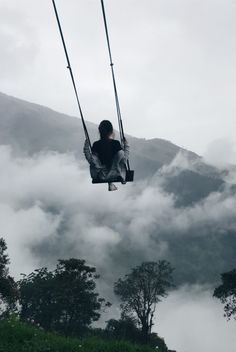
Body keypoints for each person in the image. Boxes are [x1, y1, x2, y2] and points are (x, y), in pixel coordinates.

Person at [84, 120, 129, 191]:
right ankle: (112, 182)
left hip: (101, 175)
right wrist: (126, 145)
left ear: (100, 131)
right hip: (116, 173)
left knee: (95, 160)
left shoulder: (96, 145)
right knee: (120, 158)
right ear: (111, 131)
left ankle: (110, 182)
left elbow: (91, 159)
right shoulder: (116, 143)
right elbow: (123, 159)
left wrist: (86, 145)